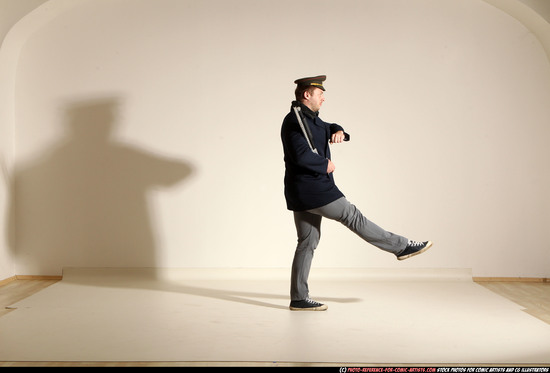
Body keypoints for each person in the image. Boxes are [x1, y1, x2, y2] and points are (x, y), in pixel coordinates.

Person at [280, 75, 432, 311]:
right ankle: (401, 247)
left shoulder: (308, 118)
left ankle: (299, 298)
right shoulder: (294, 120)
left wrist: (338, 129)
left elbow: (326, 127)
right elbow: (300, 155)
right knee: (352, 216)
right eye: (320, 94)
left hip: (303, 192)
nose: (323, 98)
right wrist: (324, 164)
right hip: (314, 189)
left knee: (307, 242)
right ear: (306, 95)